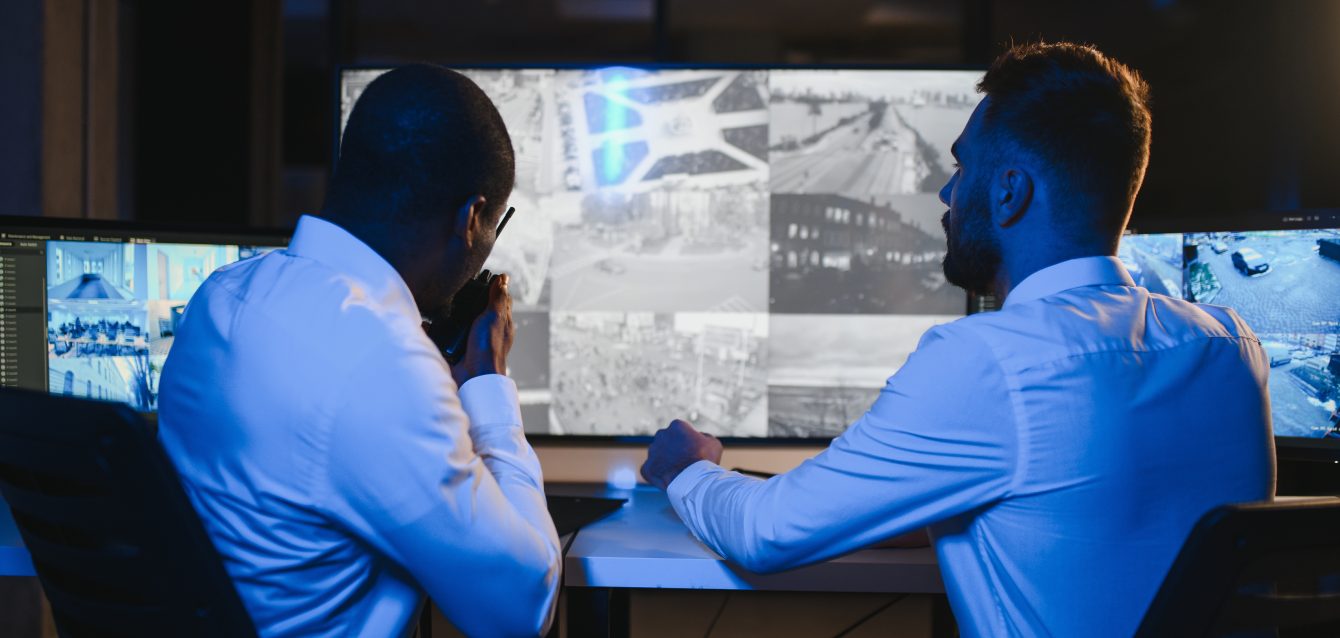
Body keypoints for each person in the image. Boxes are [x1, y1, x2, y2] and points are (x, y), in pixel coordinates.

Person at [641, 42, 1275, 637]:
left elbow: (766, 532)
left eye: (961, 166)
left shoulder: (988, 359)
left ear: (1009, 192)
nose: (947, 193)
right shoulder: (1231, 346)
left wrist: (687, 469)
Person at [158, 65, 560, 637]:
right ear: (471, 219)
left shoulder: (221, 295)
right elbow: (521, 610)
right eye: (495, 224)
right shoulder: (386, 365)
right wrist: (489, 387)